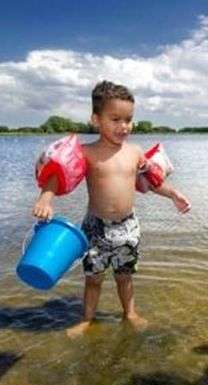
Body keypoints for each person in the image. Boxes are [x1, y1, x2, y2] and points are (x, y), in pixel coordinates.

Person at [32, 80, 191, 337]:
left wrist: (173, 194)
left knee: (124, 276)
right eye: (115, 119)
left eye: (128, 119)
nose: (124, 126)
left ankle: (130, 313)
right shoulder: (86, 153)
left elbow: (149, 183)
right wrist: (45, 199)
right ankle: (87, 320)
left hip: (128, 226)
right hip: (96, 226)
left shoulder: (135, 152)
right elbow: (57, 175)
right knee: (93, 279)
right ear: (96, 120)